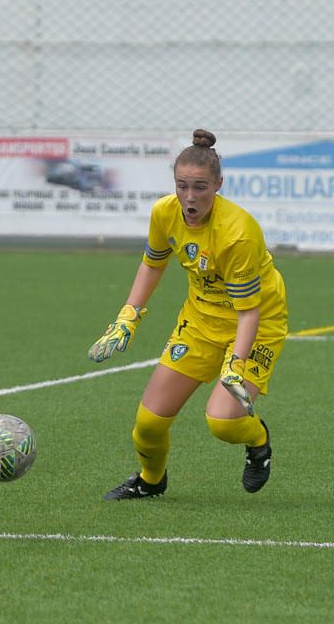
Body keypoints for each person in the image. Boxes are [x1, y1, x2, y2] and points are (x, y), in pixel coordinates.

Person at [88, 129, 287, 500]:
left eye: (200, 187)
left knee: (223, 423)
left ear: (218, 185)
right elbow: (152, 264)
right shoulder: (165, 212)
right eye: (182, 186)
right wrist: (128, 316)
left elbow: (249, 313)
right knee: (148, 424)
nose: (190, 197)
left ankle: (258, 442)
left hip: (257, 322)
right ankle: (151, 481)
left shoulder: (238, 234)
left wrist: (234, 366)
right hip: (200, 320)